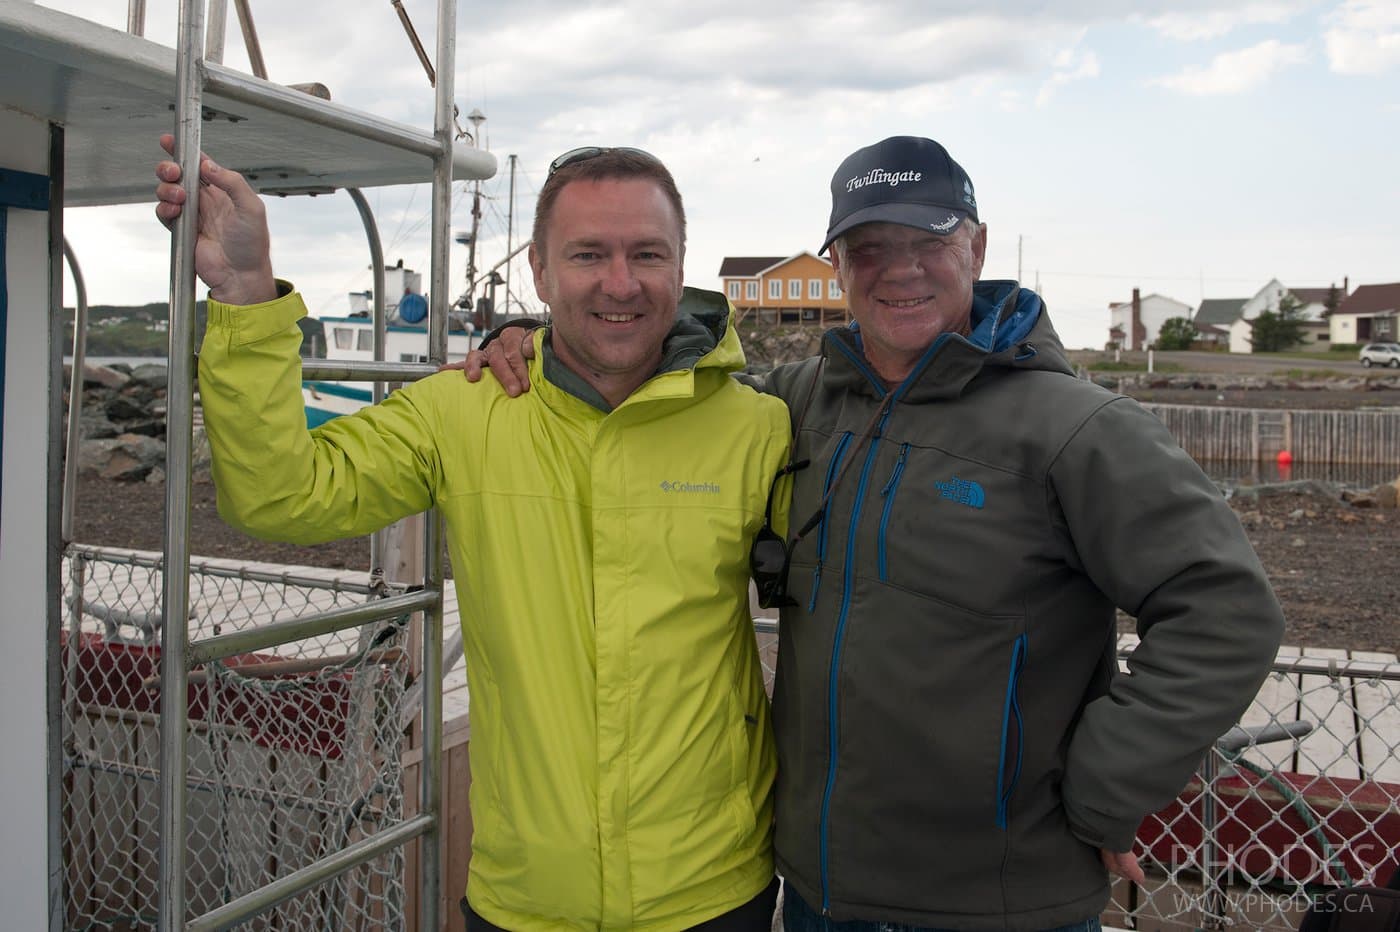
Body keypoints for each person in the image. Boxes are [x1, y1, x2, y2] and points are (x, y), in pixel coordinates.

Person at [464, 135, 1286, 932]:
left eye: (928, 238)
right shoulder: (800, 404)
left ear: (978, 245)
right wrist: (537, 346)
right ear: (837, 266)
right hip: (818, 890)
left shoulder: (1077, 429)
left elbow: (1225, 612)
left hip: (996, 903)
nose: (899, 268)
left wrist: (1107, 786)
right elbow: (661, 375)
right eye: (867, 245)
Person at [154, 138, 791, 931]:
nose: (620, 283)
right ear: (539, 270)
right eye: (588, 254)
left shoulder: (759, 429)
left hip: (714, 890)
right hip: (525, 896)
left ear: (681, 261)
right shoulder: (463, 412)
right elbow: (282, 498)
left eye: (647, 254)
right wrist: (248, 295)